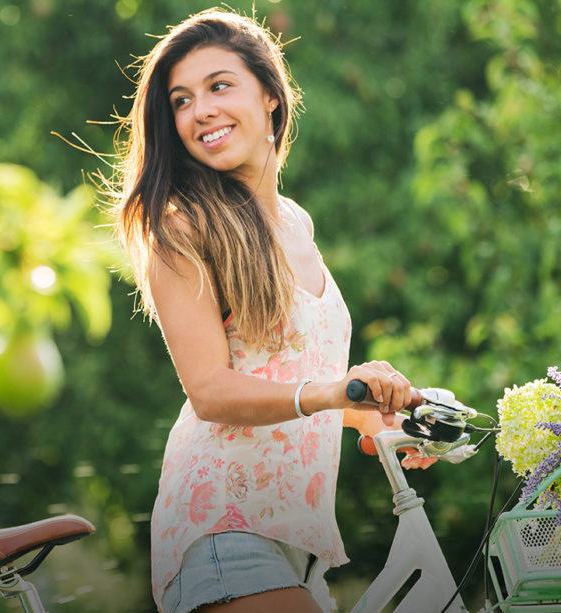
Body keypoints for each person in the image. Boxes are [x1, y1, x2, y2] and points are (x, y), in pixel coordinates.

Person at [108, 9, 427, 613]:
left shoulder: (296, 222)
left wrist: (365, 413)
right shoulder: (183, 230)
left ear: (272, 98)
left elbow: (285, 374)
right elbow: (211, 391)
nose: (199, 110)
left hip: (294, 540)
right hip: (220, 522)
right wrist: (334, 392)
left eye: (218, 86)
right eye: (181, 99)